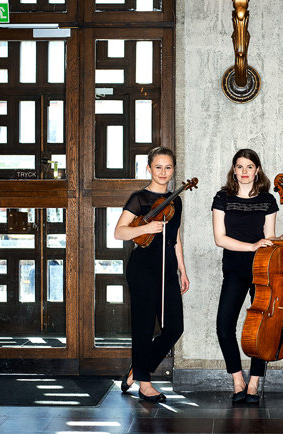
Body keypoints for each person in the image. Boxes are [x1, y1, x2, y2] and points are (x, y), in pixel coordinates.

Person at [114, 146, 190, 402]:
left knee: (174, 327)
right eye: (158, 167)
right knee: (144, 326)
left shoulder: (175, 200)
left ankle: (139, 367)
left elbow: (175, 237)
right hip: (143, 267)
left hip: (168, 266)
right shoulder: (139, 198)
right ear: (149, 168)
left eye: (168, 167)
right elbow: (120, 232)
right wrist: (146, 227)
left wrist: (182, 268)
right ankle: (145, 384)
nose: (163, 172)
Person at [211, 148, 279, 404]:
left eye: (249, 166)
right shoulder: (223, 198)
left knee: (262, 328)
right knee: (223, 325)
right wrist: (250, 246)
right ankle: (237, 379)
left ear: (257, 170)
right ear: (233, 170)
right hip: (235, 269)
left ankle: (253, 384)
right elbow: (220, 239)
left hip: (263, 270)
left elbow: (269, 237)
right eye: (239, 167)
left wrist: (281, 242)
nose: (244, 172)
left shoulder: (268, 200)